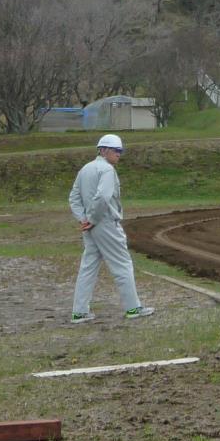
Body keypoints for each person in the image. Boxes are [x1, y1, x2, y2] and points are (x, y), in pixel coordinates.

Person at [68, 134, 153, 323]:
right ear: (104, 150)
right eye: (116, 150)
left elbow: (74, 197)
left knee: (88, 267)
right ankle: (133, 308)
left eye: (120, 151)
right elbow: (103, 197)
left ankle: (79, 312)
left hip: (90, 226)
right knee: (122, 264)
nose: (119, 154)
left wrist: (83, 218)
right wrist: (91, 219)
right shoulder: (107, 170)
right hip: (105, 223)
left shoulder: (85, 169)